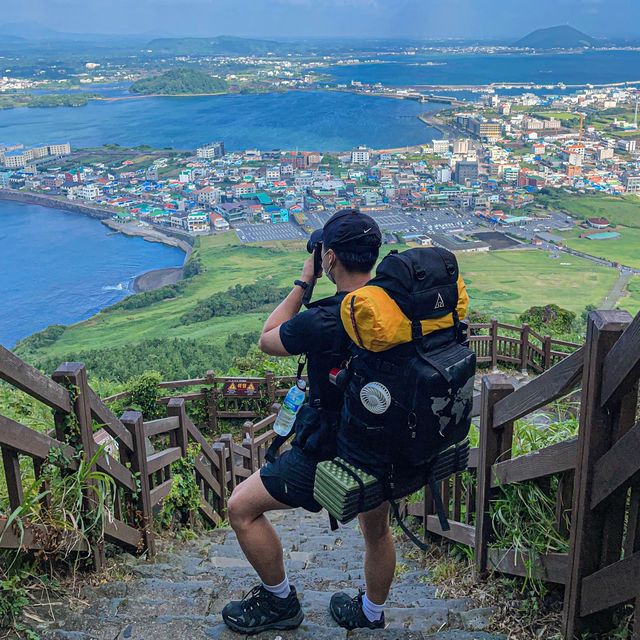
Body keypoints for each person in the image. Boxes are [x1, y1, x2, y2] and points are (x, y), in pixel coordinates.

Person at [222, 209, 393, 634]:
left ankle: (280, 603)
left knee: (240, 508)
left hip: (330, 454)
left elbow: (267, 337)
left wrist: (305, 281)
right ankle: (370, 614)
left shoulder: (325, 318)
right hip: (386, 446)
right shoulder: (396, 306)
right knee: (377, 531)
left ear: (329, 258)